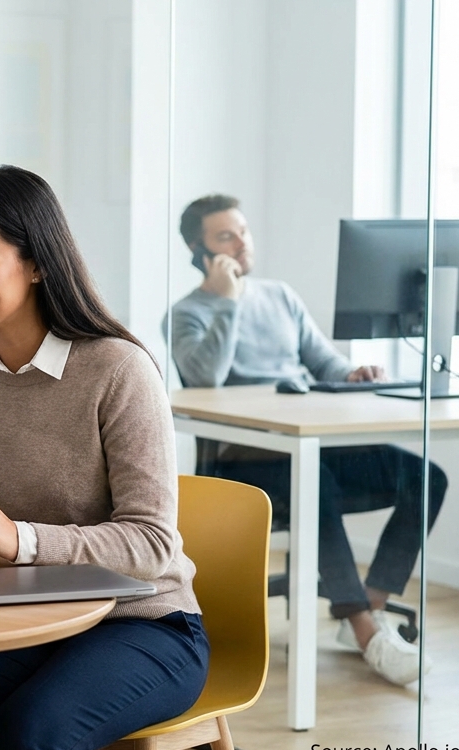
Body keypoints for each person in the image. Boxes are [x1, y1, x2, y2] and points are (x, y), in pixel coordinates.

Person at [0, 166, 208, 750]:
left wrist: (21, 539)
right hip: (18, 615)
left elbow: (152, 542)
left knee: (27, 739)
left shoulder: (118, 369)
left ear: (35, 263)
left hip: (142, 622)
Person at [170, 194, 443, 686]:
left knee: (426, 478)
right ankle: (364, 630)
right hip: (247, 461)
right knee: (311, 479)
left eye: (243, 231)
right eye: (225, 236)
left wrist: (352, 372)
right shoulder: (186, 313)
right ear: (199, 249)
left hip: (312, 444)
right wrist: (227, 301)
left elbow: (324, 363)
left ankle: (370, 606)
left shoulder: (280, 296)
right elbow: (204, 375)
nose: (242, 242)